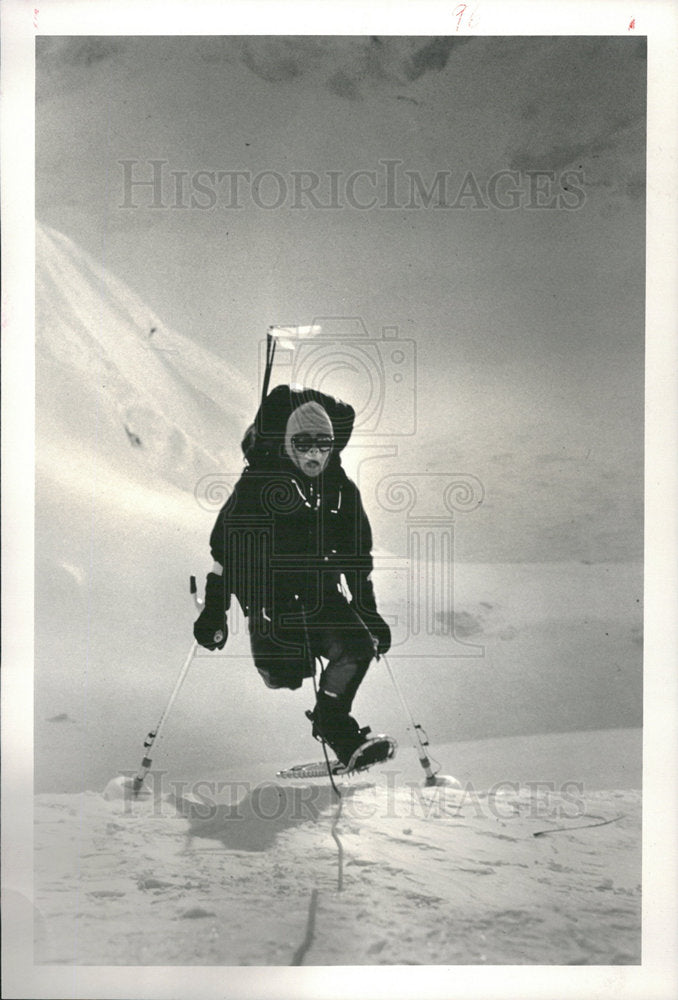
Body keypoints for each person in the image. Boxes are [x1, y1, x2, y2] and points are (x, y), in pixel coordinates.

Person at [193, 384, 394, 771]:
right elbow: (225, 556)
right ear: (288, 444)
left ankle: (335, 725)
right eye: (304, 444)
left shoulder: (341, 492)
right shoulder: (257, 488)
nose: (314, 454)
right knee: (282, 676)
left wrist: (368, 612)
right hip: (273, 603)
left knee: (357, 649)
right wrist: (214, 613)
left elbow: (357, 558)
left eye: (323, 445)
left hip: (322, 597)